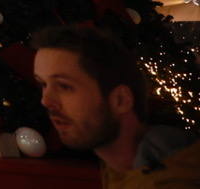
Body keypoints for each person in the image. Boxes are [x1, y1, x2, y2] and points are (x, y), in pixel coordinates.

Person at [33, 25, 200, 187]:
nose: (46, 101)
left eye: (64, 86)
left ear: (120, 100)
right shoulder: (122, 165)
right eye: (43, 84)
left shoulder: (175, 179)